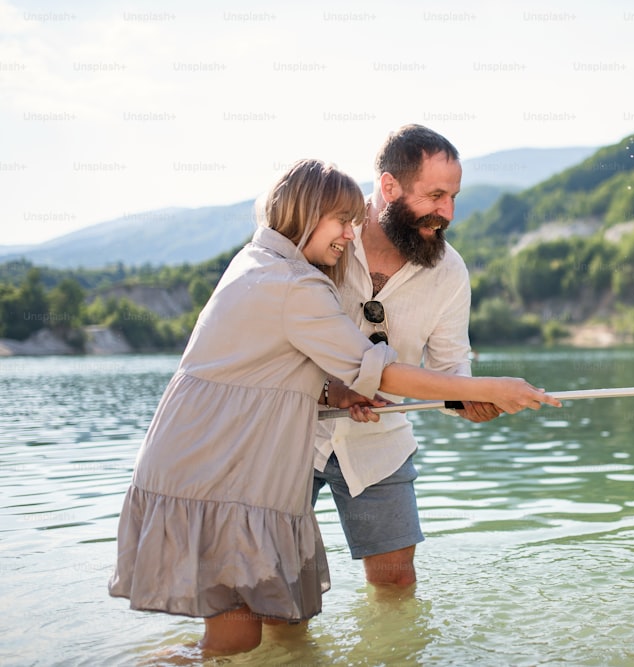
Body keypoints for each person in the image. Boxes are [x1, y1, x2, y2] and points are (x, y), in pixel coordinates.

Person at [107, 158, 560, 657]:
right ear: (307, 213)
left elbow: (266, 364)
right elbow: (378, 371)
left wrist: (339, 393)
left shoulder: (259, 260)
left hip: (227, 460)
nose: (350, 234)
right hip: (228, 468)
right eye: (342, 222)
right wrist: (490, 388)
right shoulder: (297, 284)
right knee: (236, 641)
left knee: (274, 627)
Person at [311, 125, 493, 590]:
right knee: (274, 589)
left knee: (396, 587)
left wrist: (468, 399)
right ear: (388, 187)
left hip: (382, 440)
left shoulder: (450, 270)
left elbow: (452, 365)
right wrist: (327, 388)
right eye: (435, 195)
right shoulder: (323, 240)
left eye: (453, 197)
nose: (447, 213)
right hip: (289, 434)